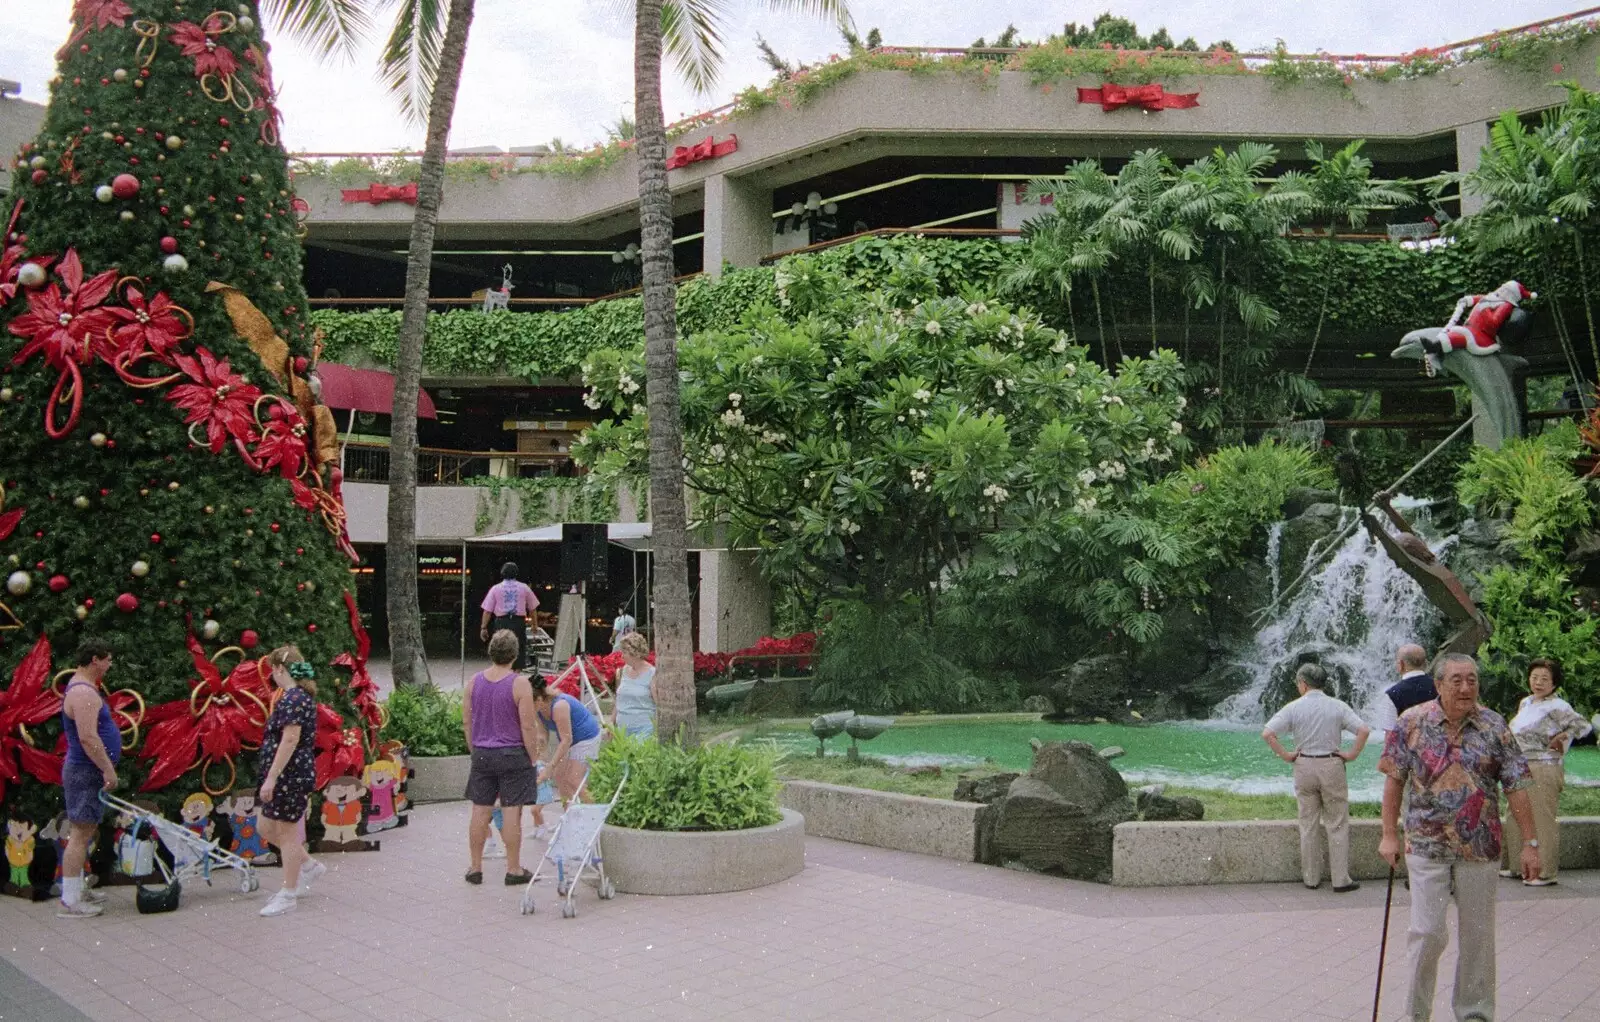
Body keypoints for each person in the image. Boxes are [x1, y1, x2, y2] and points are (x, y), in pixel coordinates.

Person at [1379, 653, 1541, 1022]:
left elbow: (1517, 787)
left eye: (1472, 680)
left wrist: (1530, 844)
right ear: (1438, 684)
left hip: (1480, 848)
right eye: (1456, 680)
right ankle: (1415, 1015)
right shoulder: (1411, 722)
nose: (1466, 687)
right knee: (1427, 932)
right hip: (1425, 845)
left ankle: (1474, 1014)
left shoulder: (1495, 725)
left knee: (1478, 937)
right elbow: (1393, 780)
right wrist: (1389, 835)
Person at [1261, 662, 1371, 893]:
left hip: (1304, 764)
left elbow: (1268, 733)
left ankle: (1311, 878)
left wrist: (1286, 755)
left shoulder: (1293, 707)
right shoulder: (1338, 706)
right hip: (1331, 763)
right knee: (1337, 822)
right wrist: (1351, 755)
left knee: (1308, 823)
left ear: (1302, 683)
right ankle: (1340, 879)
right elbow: (1363, 730)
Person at [461, 630, 543, 886]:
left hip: (483, 752)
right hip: (512, 753)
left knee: (480, 809)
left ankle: (475, 867)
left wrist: (474, 749)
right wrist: (533, 755)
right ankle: (514, 868)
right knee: (511, 811)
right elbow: (527, 726)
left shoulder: (474, 681)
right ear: (515, 654)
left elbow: (467, 720)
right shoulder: (519, 684)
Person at [1501, 658, 1590, 886]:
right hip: (1520, 764)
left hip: (1544, 764)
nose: (1538, 682)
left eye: (1544, 679)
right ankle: (1517, 866)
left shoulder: (1558, 706)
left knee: (1541, 817)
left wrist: (1562, 737)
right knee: (1515, 815)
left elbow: (1583, 726)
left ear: (1554, 683)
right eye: (1534, 677)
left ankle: (1545, 871)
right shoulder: (1526, 702)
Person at [257, 646, 326, 917]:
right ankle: (308, 866)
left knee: (286, 834)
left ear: (279, 669)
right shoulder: (294, 696)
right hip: (286, 773)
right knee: (265, 826)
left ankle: (288, 892)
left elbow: (290, 738)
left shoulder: (293, 699)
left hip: (290, 775)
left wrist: (272, 777)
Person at [55, 639, 120, 919]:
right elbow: (88, 738)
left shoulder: (82, 687)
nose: (109, 665)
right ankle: (70, 900)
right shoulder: (84, 693)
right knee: (80, 833)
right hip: (85, 770)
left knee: (85, 831)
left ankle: (76, 889)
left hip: (85, 769)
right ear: (95, 659)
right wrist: (107, 768)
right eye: (107, 660)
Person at [531, 680, 602, 804]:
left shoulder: (559, 706)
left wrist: (549, 767)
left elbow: (566, 740)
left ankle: (594, 814)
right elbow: (542, 734)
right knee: (560, 777)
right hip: (569, 739)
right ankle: (569, 815)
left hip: (586, 738)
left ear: (539, 700)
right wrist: (538, 757)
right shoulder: (537, 709)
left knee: (574, 780)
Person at [479, 562, 539, 671]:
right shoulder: (524, 587)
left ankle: (503, 673)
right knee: (518, 647)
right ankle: (516, 675)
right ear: (516, 573)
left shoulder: (495, 588)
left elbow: (487, 610)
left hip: (501, 622)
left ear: (502, 573)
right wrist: (534, 625)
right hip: (518, 622)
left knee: (501, 648)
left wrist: (483, 627)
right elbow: (533, 608)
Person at [1374, 643, 1437, 733]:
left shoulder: (1392, 694)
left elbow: (1390, 736)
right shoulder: (1441, 687)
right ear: (1426, 663)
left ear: (1401, 664)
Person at [609, 632, 658, 738]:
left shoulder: (652, 673)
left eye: (624, 652)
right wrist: (611, 723)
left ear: (635, 653)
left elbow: (659, 704)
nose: (622, 656)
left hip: (644, 729)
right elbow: (619, 700)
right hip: (622, 729)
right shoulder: (623, 671)